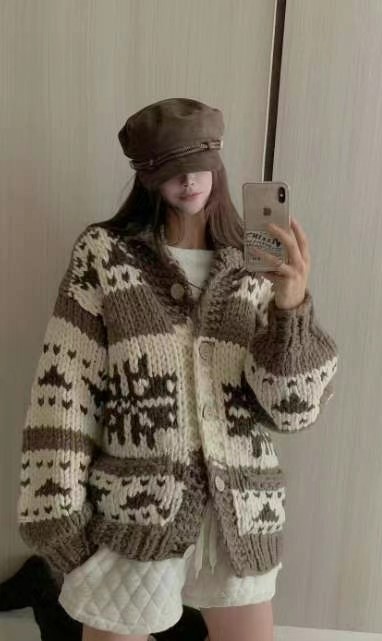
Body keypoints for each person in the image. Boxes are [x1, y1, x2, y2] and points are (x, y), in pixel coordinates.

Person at [16, 98, 339, 641]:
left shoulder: (254, 267)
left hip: (242, 516)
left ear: (218, 162)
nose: (189, 180)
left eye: (199, 164)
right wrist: (59, 525)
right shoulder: (106, 256)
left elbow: (293, 412)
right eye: (171, 169)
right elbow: (64, 392)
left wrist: (291, 310)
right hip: (134, 515)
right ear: (146, 175)